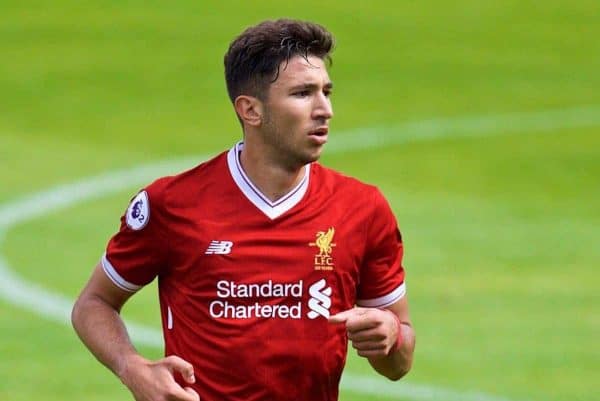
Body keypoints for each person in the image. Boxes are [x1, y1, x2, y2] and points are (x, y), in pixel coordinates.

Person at [71, 18, 415, 401]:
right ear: (250, 110)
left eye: (326, 92)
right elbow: (94, 303)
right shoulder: (172, 204)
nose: (325, 110)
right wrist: (133, 369)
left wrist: (392, 335)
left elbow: (399, 364)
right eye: (303, 94)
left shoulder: (363, 209)